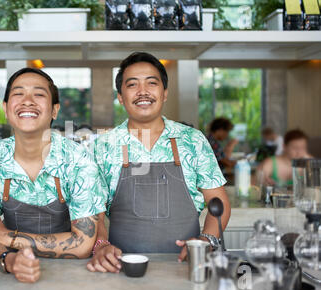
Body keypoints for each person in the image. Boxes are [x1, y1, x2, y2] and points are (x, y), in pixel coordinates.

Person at [87, 52, 231, 273]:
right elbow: (92, 209)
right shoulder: (103, 146)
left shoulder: (192, 140)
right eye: (132, 84)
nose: (142, 91)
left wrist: (206, 241)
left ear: (164, 93)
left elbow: (219, 203)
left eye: (151, 83)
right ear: (120, 97)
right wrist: (101, 245)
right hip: (120, 268)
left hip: (188, 268)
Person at [0, 68, 107, 283]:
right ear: (6, 108)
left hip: (74, 278)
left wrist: (4, 236)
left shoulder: (79, 160)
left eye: (39, 94)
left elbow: (83, 245)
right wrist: (11, 261)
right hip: (10, 274)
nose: (28, 101)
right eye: (18, 93)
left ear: (54, 110)